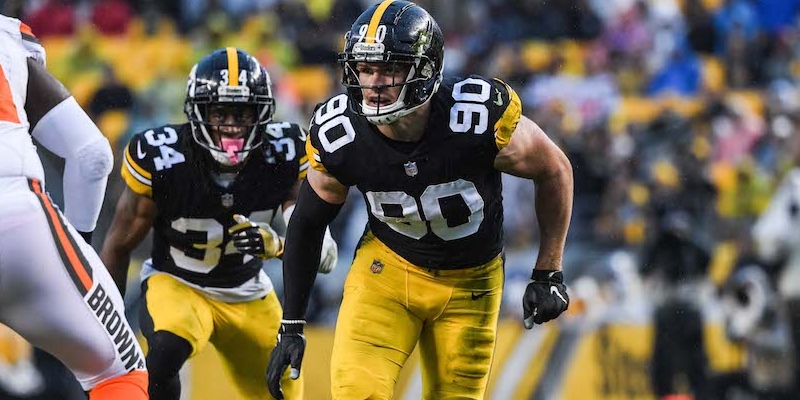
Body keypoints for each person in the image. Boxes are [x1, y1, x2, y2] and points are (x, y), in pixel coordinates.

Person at [266, 1, 574, 399]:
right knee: (356, 392)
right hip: (388, 272)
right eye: (365, 68)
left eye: (389, 68)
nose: (374, 83)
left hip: (472, 282)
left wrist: (549, 272)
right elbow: (308, 223)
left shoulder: (476, 116)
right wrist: (292, 325)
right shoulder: (340, 132)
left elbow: (555, 169)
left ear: (425, 70)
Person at [100, 47, 338, 400]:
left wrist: (275, 244)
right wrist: (108, 329)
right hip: (178, 283)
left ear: (262, 113)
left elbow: (327, 257)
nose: (232, 125)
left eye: (243, 113)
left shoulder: (285, 151)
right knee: (164, 350)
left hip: (248, 292)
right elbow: (118, 246)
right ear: (197, 113)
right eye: (220, 112)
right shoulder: (162, 157)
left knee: (281, 391)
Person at [0, 14, 148, 400]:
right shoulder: (7, 41)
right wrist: (77, 246)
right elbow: (93, 155)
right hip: (16, 216)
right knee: (118, 371)